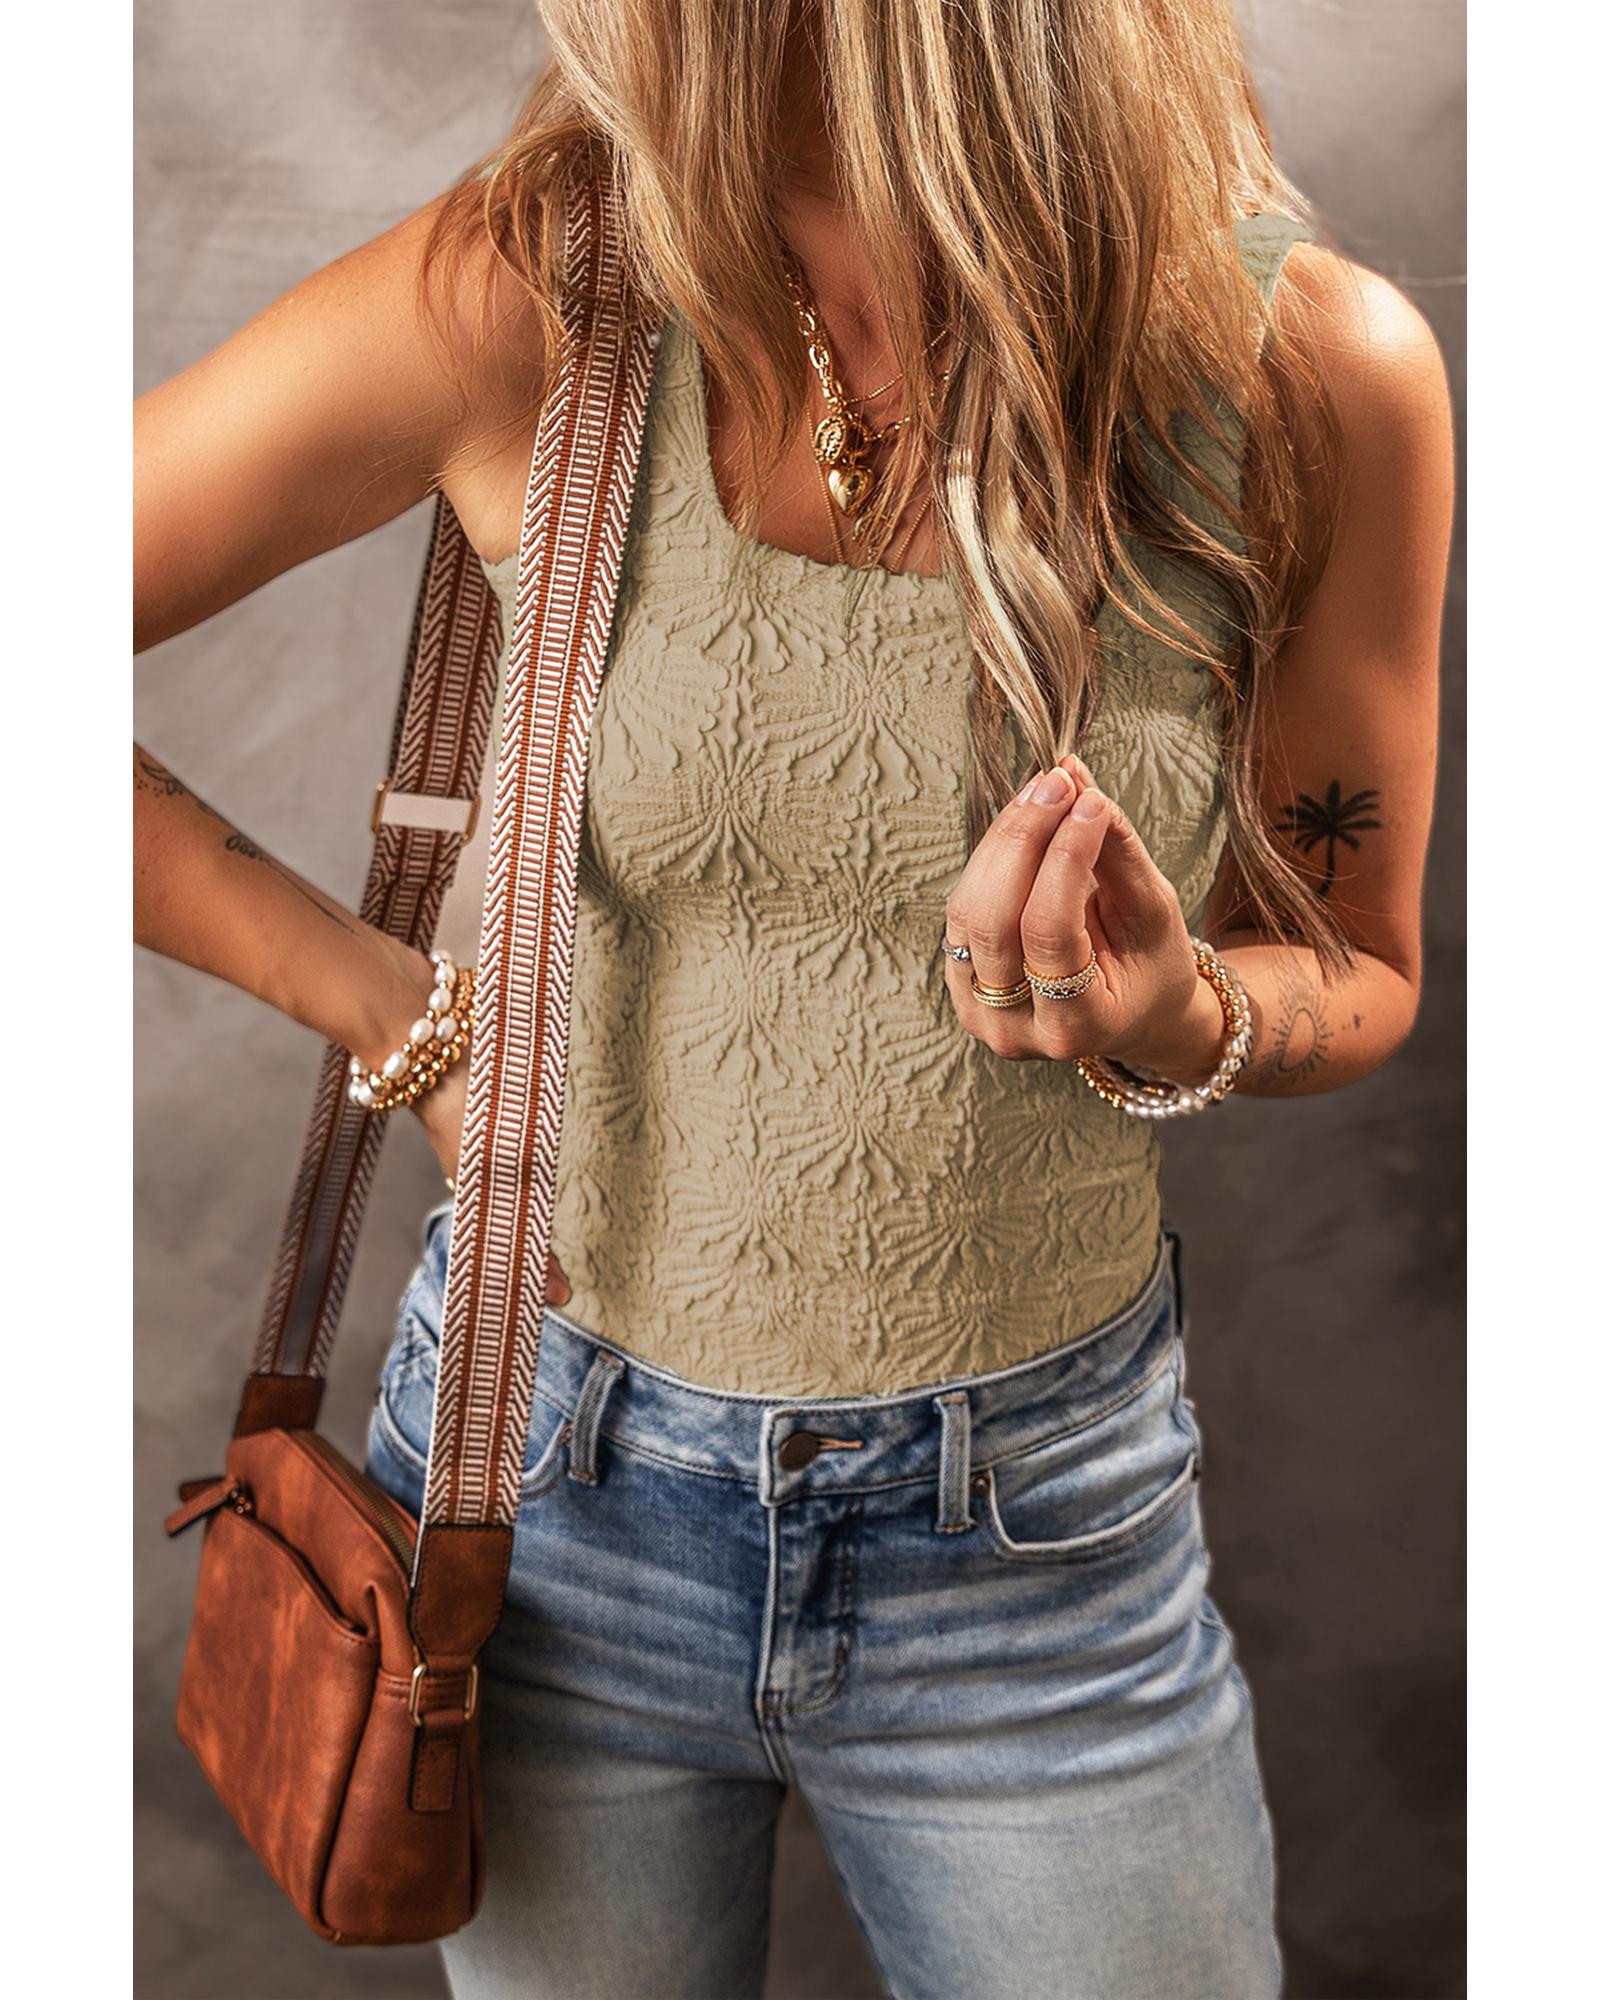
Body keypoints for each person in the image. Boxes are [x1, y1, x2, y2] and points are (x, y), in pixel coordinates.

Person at [134, 2, 1452, 1994]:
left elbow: (1359, 968)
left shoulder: (1308, 369)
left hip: (1037, 1552)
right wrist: (389, 1005)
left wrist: (1174, 1014)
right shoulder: (540, 293)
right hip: (540, 1512)